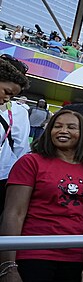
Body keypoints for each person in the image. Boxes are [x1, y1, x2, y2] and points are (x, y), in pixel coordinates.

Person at [0, 109, 83, 282]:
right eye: (57, 126)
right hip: (33, 257)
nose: (62, 131)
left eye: (72, 127)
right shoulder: (31, 162)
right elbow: (13, 214)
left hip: (73, 262)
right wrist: (8, 267)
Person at [0, 56, 30, 215]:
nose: (6, 98)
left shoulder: (19, 112)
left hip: (4, 174)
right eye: (7, 91)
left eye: (11, 95)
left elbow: (20, 149)